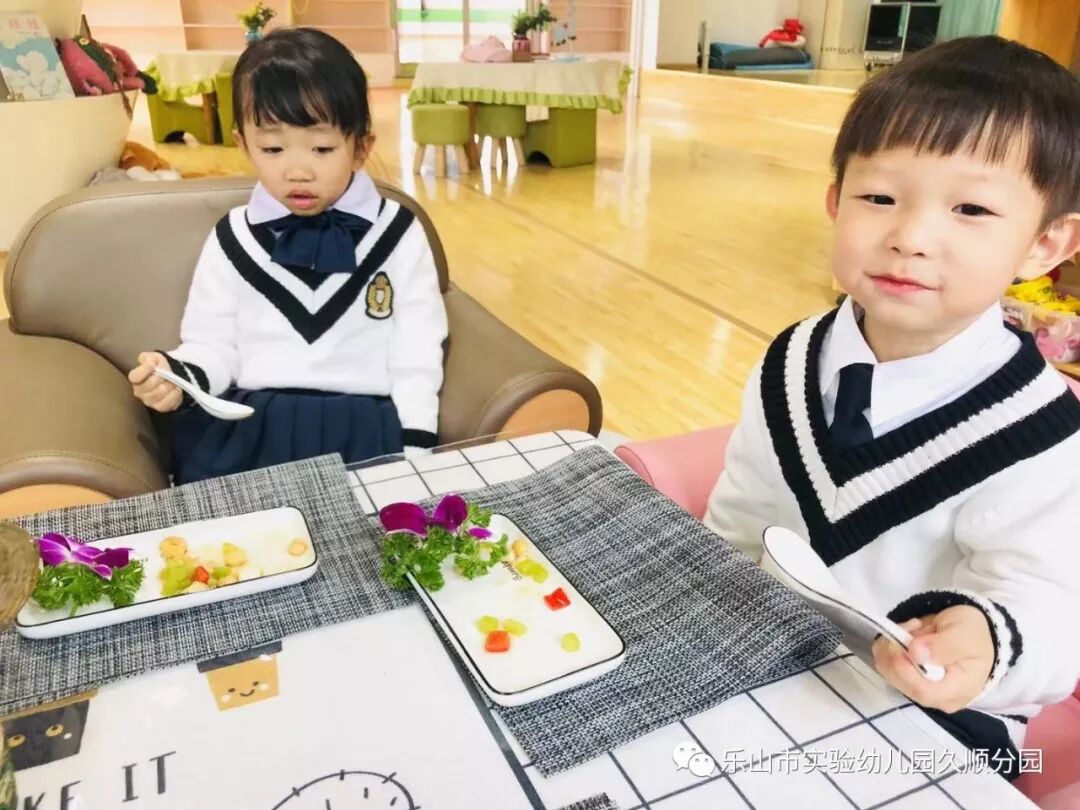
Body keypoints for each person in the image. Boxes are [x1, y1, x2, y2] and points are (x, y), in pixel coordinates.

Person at [705, 36, 1080, 778]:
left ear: (1045, 244)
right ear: (835, 200)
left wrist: (985, 644)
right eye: (880, 198)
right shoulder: (791, 360)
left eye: (971, 208)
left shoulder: (1039, 432)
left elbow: (1052, 609)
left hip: (941, 715)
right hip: (773, 662)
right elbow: (740, 519)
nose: (910, 238)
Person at [128, 28, 447, 483]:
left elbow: (417, 349)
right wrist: (176, 376)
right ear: (243, 144)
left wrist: (417, 444)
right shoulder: (232, 237)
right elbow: (213, 346)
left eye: (322, 148)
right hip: (250, 428)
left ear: (361, 148)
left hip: (363, 429)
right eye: (272, 148)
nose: (297, 170)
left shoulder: (398, 233)